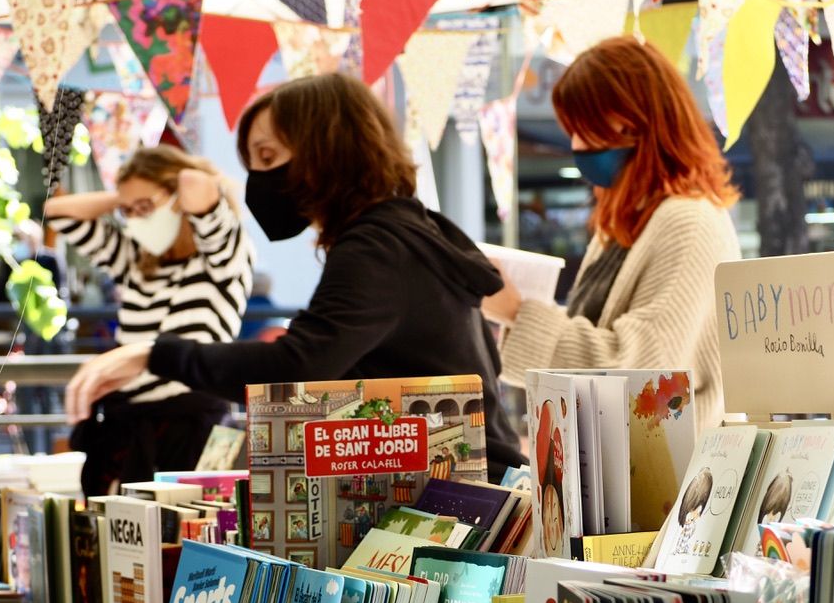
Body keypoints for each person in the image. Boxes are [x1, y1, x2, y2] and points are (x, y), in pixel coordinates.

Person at [63, 73, 524, 481]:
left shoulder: (377, 246)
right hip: (471, 480)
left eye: (268, 156)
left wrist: (155, 355)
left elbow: (296, 368)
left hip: (465, 497)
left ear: (329, 147)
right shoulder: (408, 230)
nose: (259, 180)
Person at [482, 37, 742, 431]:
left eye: (586, 129)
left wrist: (517, 311)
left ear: (633, 122)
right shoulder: (628, 223)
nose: (576, 145)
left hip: (670, 479)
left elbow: (642, 376)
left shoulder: (690, 223)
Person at [45, 145, 255, 496]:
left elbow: (194, 181)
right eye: (129, 212)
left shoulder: (222, 257)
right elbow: (57, 213)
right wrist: (125, 199)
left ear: (177, 198)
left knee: (188, 535)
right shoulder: (135, 261)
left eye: (144, 208)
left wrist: (163, 187)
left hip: (195, 425)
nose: (136, 219)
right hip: (130, 425)